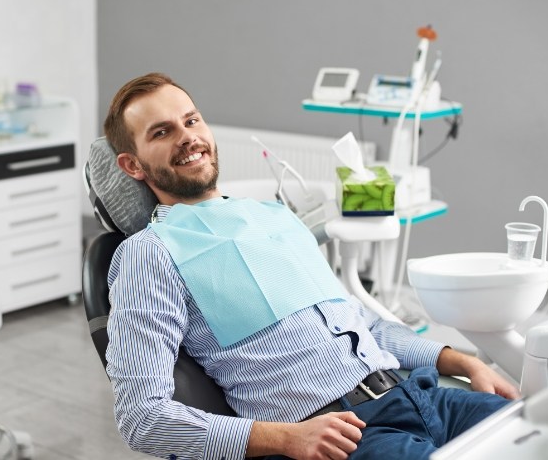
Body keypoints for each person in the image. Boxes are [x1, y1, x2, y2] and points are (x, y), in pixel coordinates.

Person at [102, 72, 518, 460]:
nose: (187, 138)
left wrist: (465, 363)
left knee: (547, 435)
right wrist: (285, 437)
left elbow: (366, 326)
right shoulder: (151, 254)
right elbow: (142, 417)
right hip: (344, 434)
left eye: (191, 121)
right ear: (133, 165)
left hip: (421, 395)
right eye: (162, 132)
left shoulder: (275, 217)